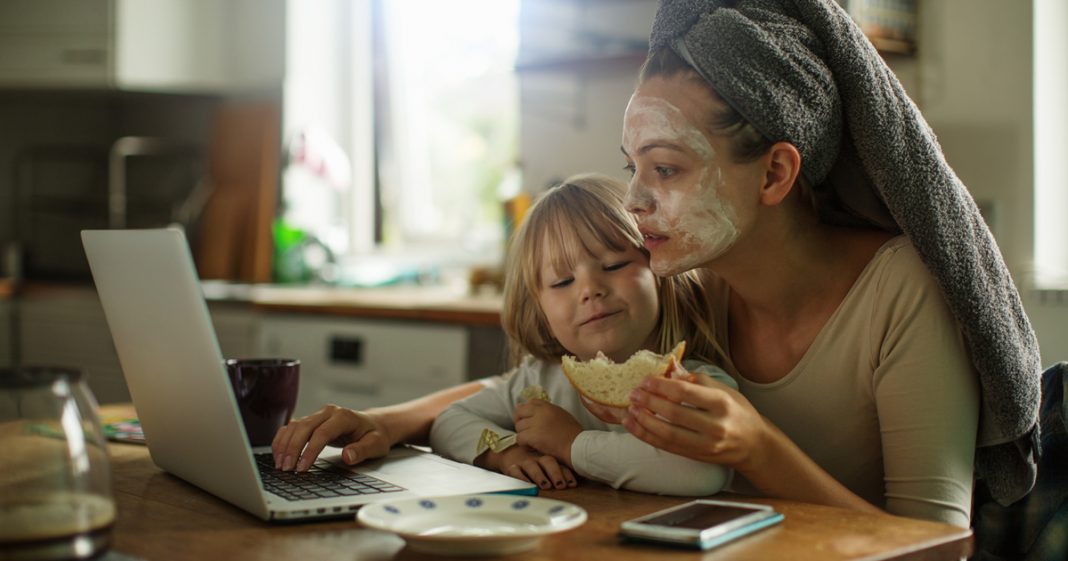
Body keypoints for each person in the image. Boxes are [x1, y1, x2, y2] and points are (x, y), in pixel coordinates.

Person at [274, 0, 1042, 530]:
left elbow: (940, 547)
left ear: (775, 174)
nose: (634, 201)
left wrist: (759, 449)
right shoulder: (691, 286)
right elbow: (521, 384)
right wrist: (385, 420)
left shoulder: (901, 294)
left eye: (667, 170)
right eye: (631, 166)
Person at [428, 174, 734, 495]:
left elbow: (701, 471)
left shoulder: (693, 385)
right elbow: (450, 421)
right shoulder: (539, 382)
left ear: (659, 273)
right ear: (539, 309)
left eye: (614, 265)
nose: (590, 290)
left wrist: (571, 444)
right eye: (562, 282)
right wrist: (505, 452)